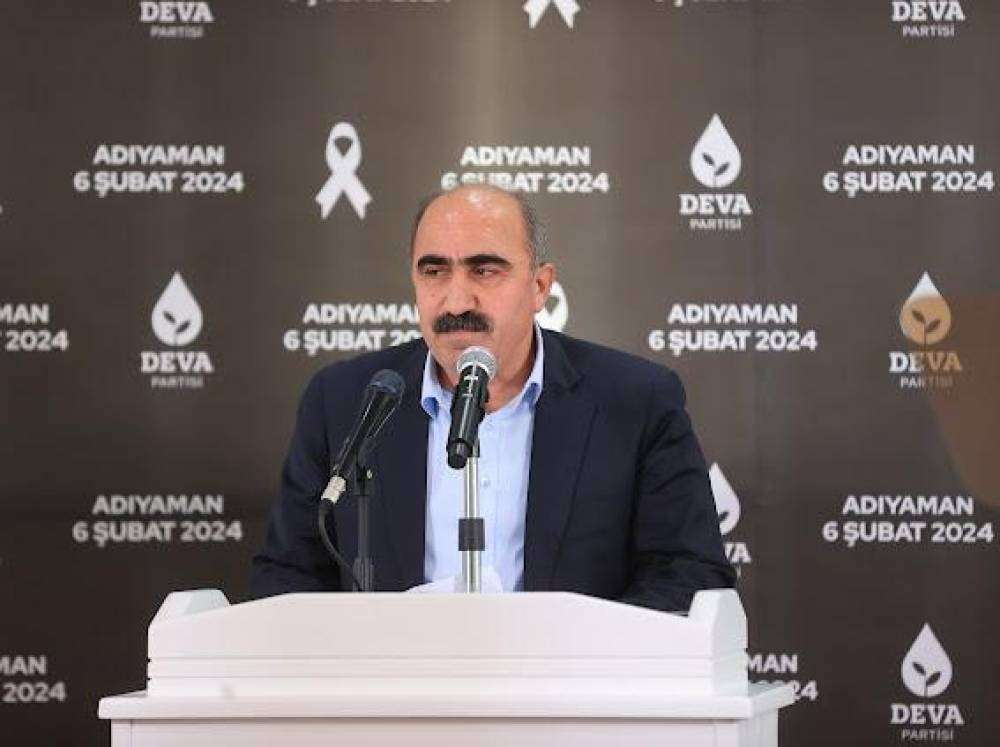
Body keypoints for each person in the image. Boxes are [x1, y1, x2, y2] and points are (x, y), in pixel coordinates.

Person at [250, 185, 735, 611]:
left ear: (540, 286)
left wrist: (575, 654)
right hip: (395, 684)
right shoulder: (346, 400)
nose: (457, 301)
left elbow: (689, 575)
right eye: (434, 271)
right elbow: (286, 578)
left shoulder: (635, 401)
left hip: (571, 685)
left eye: (484, 270)